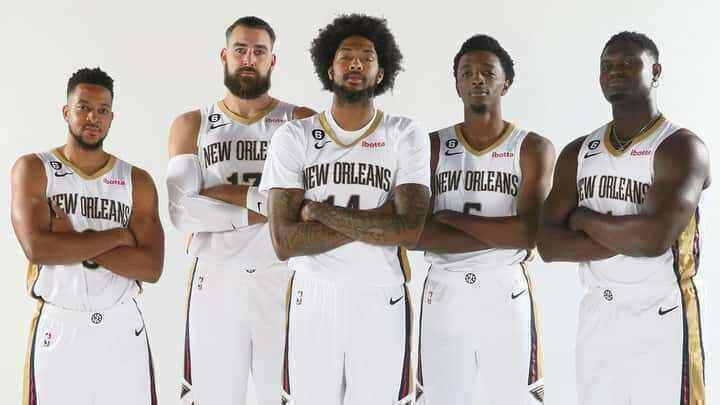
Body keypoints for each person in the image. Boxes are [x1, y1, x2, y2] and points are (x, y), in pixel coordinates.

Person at [260, 14, 430, 405]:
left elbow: (409, 231)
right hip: (313, 294)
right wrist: (382, 217)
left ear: (381, 71)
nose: (355, 64)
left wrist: (320, 212)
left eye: (366, 57)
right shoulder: (294, 135)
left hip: (380, 294)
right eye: (346, 56)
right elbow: (284, 241)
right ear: (329, 68)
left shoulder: (405, 133)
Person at [537, 31, 710, 404]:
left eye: (629, 62)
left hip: (661, 313)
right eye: (607, 65)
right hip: (598, 312)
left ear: (656, 71)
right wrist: (625, 235)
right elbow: (547, 245)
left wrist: (583, 218)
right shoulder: (579, 152)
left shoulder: (680, 147)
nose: (615, 70)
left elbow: (653, 240)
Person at [166, 16, 314, 405]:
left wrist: (222, 194)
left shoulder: (300, 121)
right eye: (241, 50)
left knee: (285, 395)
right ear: (224, 55)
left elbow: (309, 209)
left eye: (259, 51)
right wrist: (264, 205)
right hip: (216, 279)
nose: (249, 58)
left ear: (272, 60)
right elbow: (182, 210)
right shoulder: (192, 124)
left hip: (282, 277)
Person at [411, 34, 553, 405]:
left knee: (514, 398)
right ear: (456, 84)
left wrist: (449, 218)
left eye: (488, 72)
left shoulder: (532, 147)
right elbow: (415, 234)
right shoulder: (432, 145)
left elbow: (529, 232)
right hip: (444, 290)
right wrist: (502, 234)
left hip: (504, 289)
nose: (477, 79)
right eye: (467, 73)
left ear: (506, 82)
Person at [11, 67, 164, 405]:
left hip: (121, 326)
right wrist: (118, 236)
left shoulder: (136, 180)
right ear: (66, 111)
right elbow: (38, 248)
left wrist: (71, 240)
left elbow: (151, 267)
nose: (93, 117)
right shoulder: (34, 169)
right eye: (83, 108)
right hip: (60, 326)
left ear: (111, 118)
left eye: (102, 110)